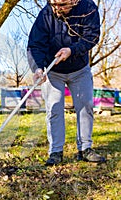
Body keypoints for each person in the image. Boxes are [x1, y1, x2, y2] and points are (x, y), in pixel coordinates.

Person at [27, 0, 106, 166]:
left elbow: (92, 37)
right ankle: (55, 151)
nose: (57, 9)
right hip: (52, 70)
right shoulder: (46, 14)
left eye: (62, 5)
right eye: (54, 4)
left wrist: (72, 50)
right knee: (54, 108)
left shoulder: (88, 9)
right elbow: (35, 45)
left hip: (79, 69)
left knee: (85, 105)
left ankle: (85, 148)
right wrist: (38, 68)